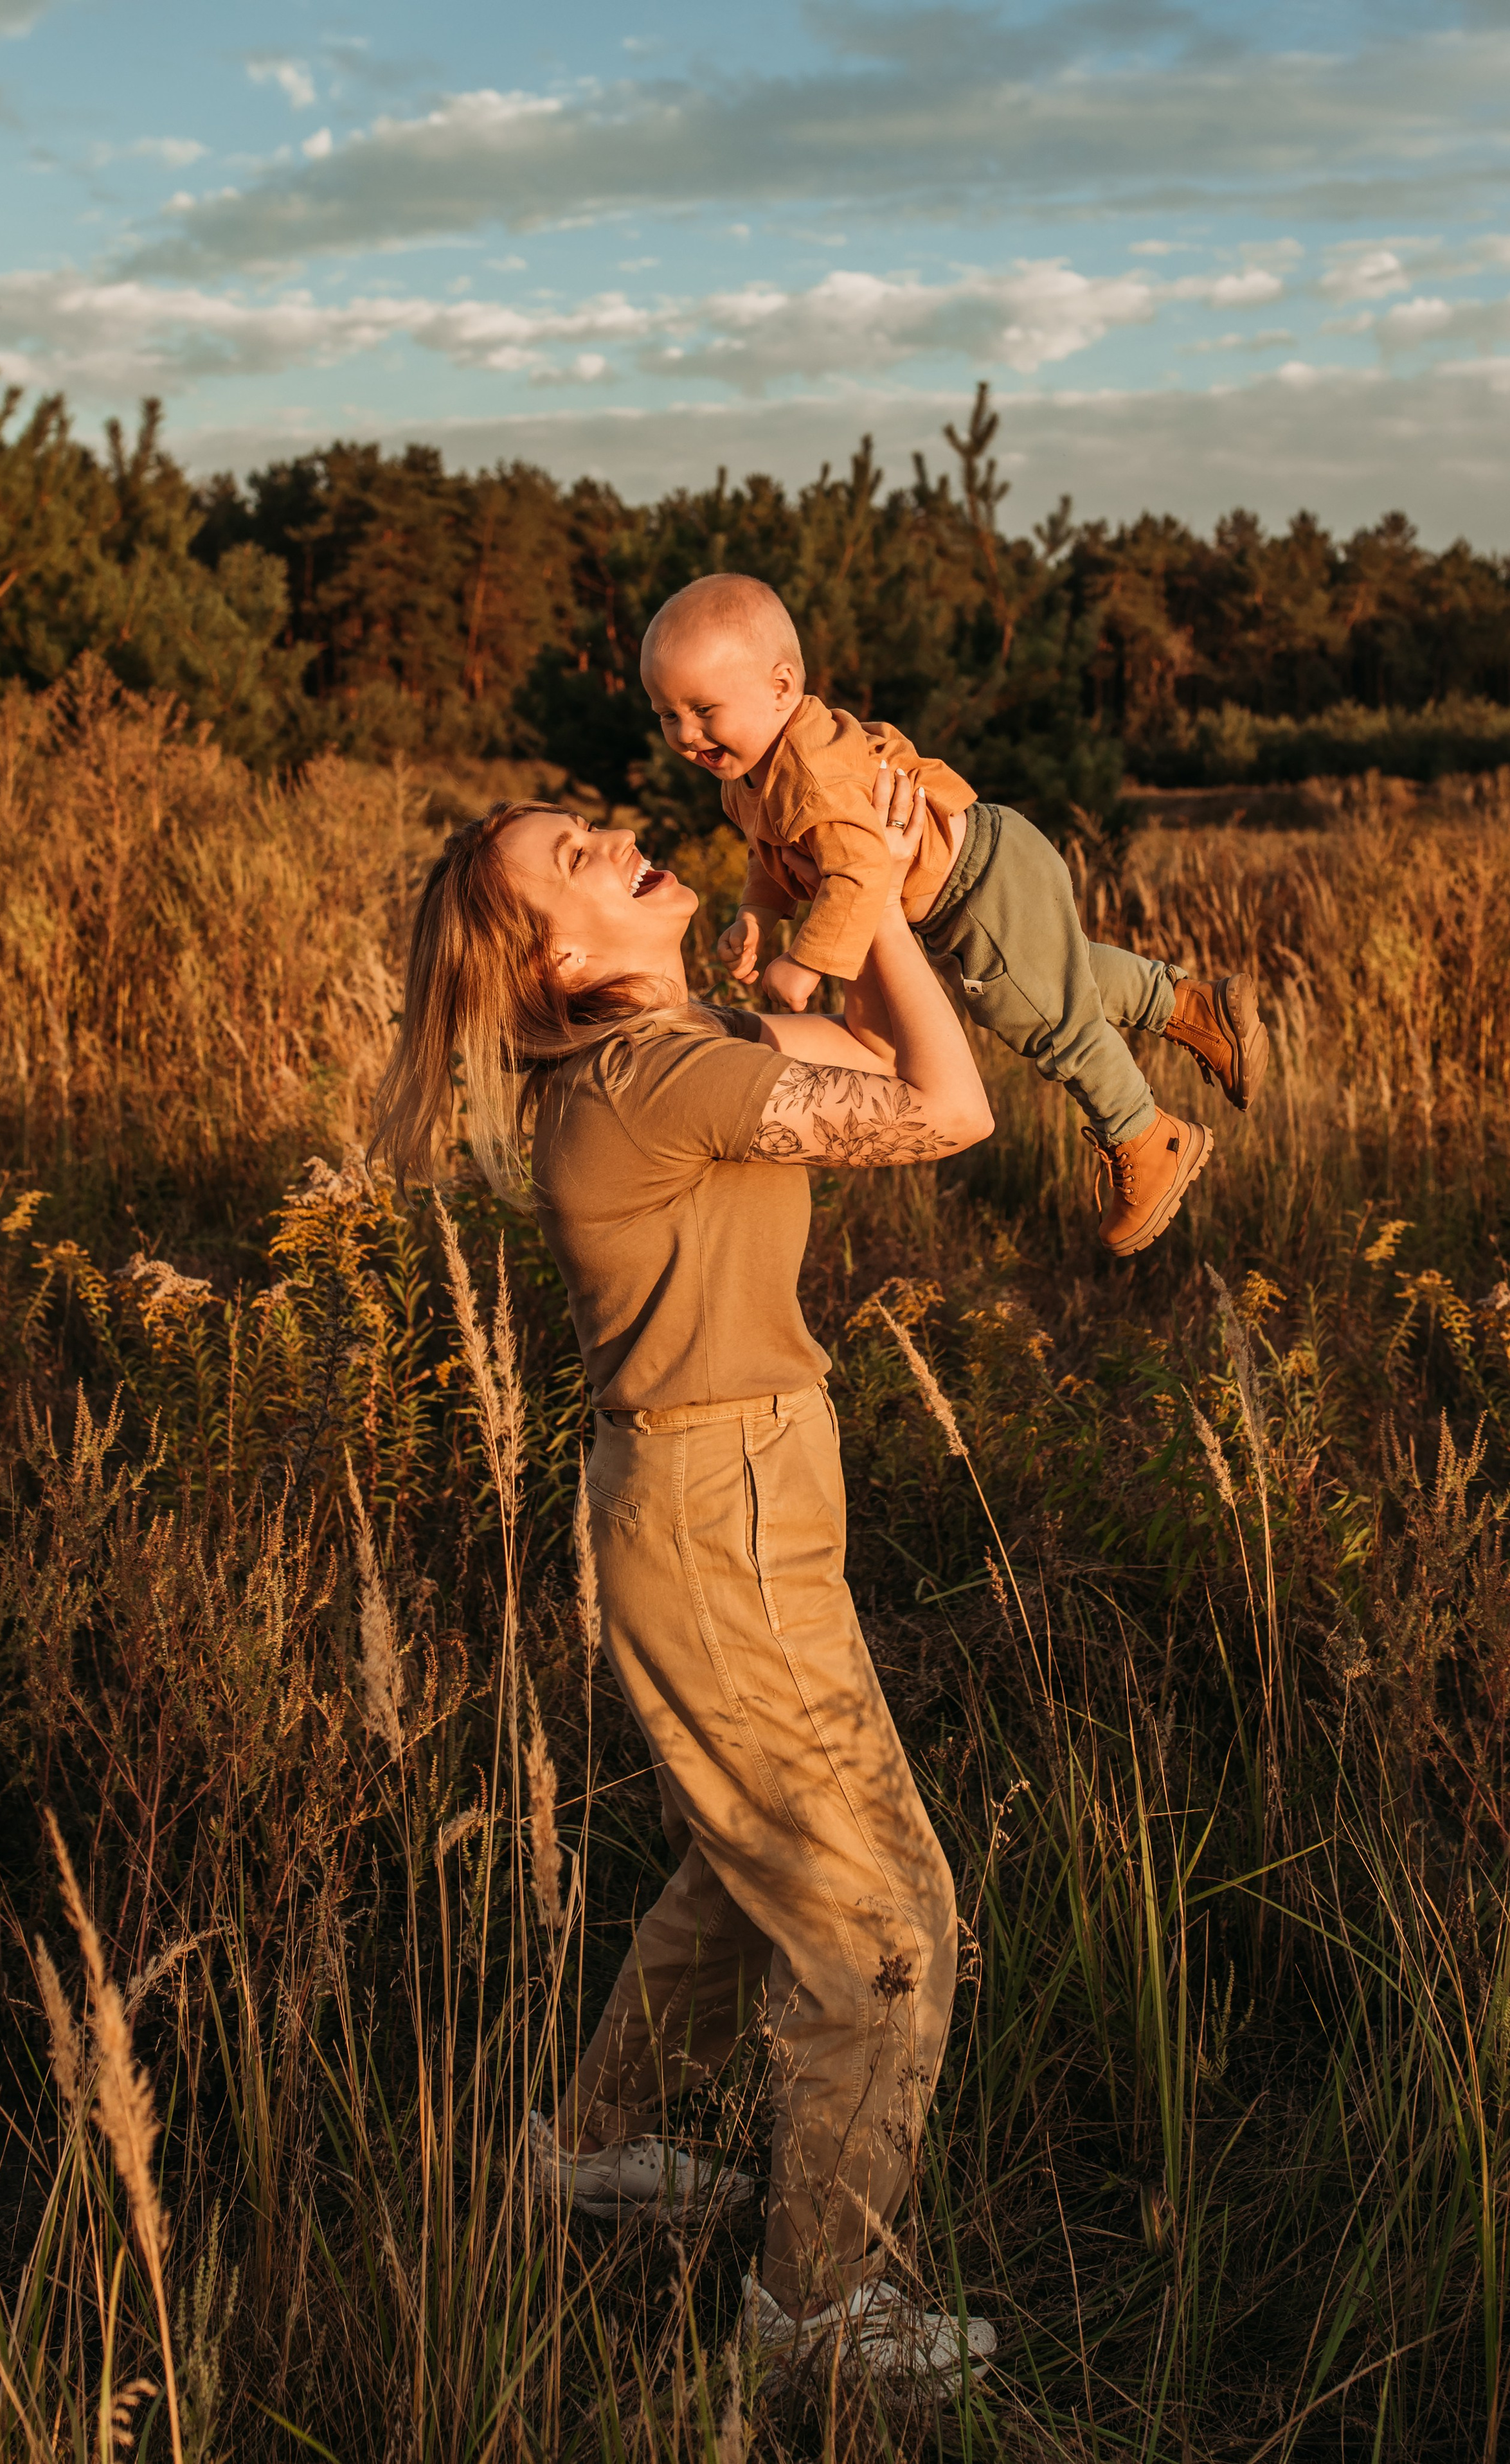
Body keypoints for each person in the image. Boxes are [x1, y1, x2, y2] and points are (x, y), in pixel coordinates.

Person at [373, 763, 998, 2390]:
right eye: (581, 859)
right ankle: (813, 2314)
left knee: (744, 1863)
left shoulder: (678, 1045)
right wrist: (872, 896)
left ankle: (584, 2153)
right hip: (720, 1512)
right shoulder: (650, 1075)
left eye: (598, 830)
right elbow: (949, 1111)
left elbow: (873, 1063)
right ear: (561, 963)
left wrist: (837, 918)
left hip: (726, 1493)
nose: (621, 842)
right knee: (883, 1925)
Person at [640, 571, 1272, 1258]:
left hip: (976, 881)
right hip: (984, 865)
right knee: (1061, 975)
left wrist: (806, 963)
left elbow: (859, 870)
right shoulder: (750, 776)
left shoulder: (810, 774)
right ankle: (1195, 1008)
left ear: (781, 687)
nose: (686, 734)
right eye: (667, 715)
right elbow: (770, 853)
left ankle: (1146, 1136)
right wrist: (758, 916)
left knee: (1042, 1014)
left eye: (703, 709)